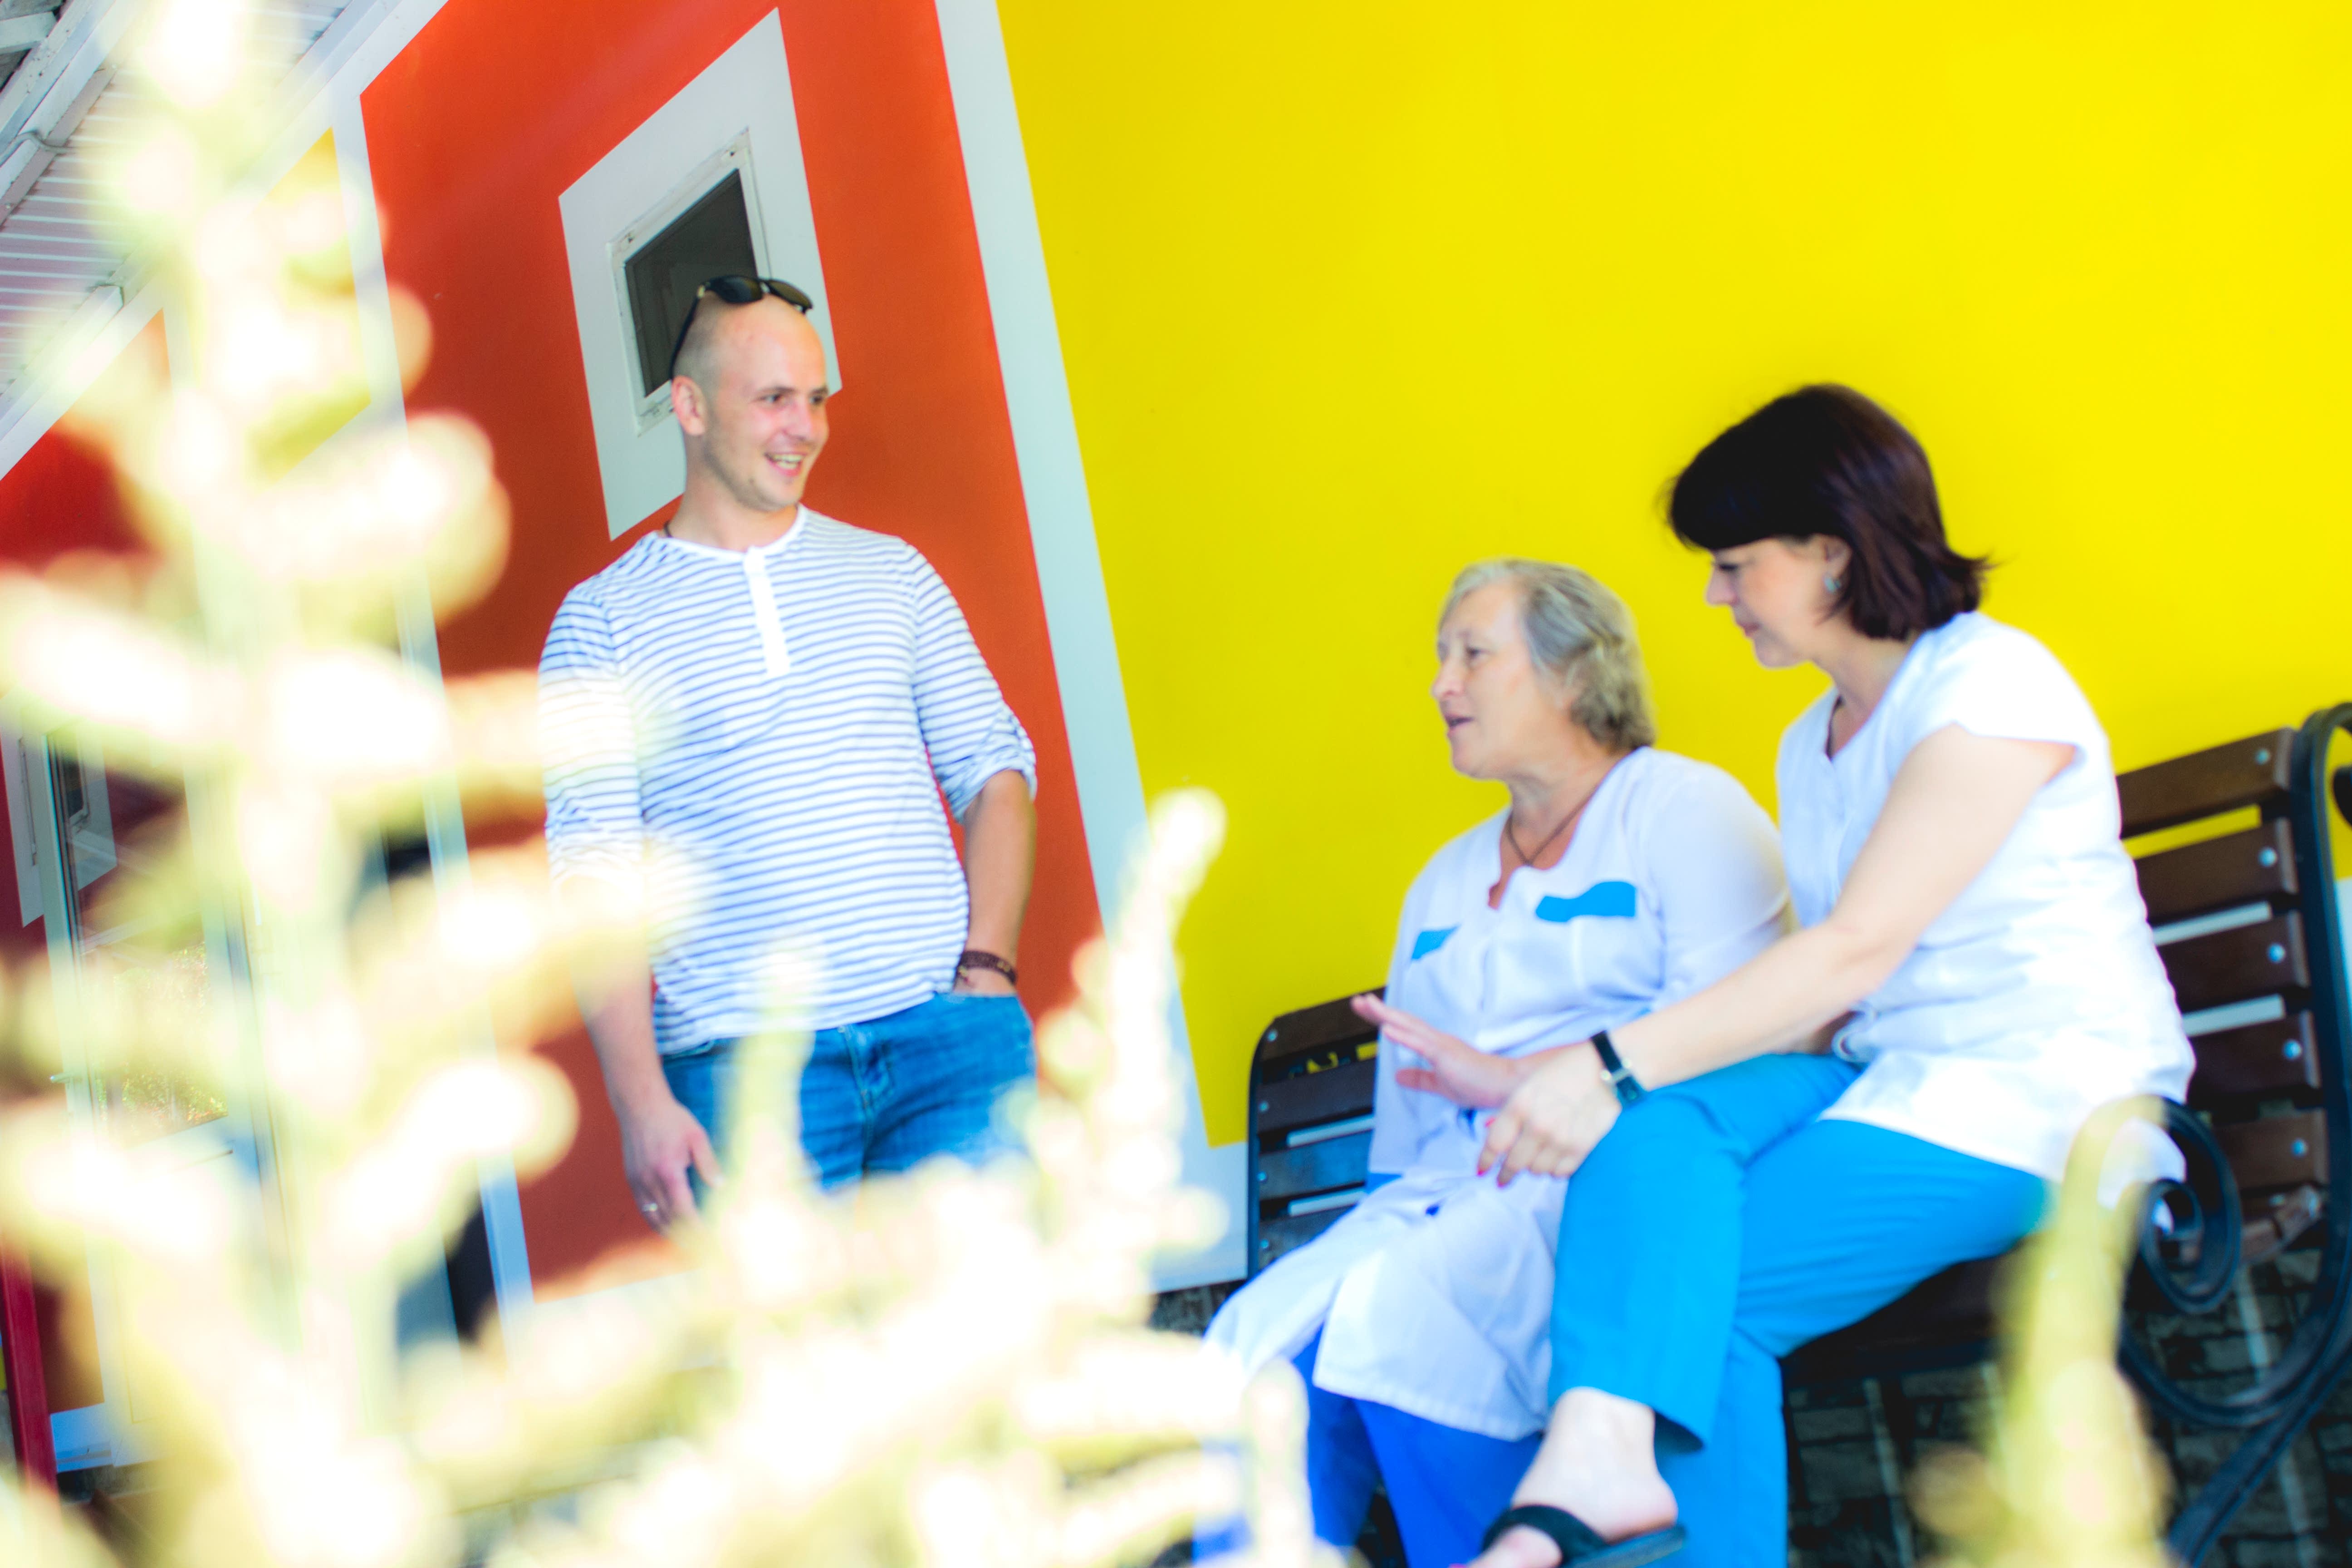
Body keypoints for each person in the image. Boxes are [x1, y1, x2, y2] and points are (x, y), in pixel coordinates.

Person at [1389, 386, 2194, 1568]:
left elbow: (1856, 947)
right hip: (1889, 1077)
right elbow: (1828, 1006)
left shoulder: (1989, 686)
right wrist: (1602, 1092)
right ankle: (1597, 1463)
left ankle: (1600, 1477)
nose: (1715, 597)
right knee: (1653, 1133)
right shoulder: (1810, 742)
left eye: (1735, 565)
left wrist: (1602, 1065)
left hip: (2042, 1098)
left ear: (1833, 554)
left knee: (1705, 1292)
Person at [1203, 559, 1791, 1568]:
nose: (1442, 684)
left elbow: (1742, 1041)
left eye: (1473, 654)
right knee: (1252, 1350)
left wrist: (1520, 1081)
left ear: (1575, 674)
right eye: (1442, 658)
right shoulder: (1443, 879)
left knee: (1404, 1314)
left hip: (1610, 1190)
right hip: (1438, 1199)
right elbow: (1403, 1143)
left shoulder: (1685, 810)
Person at [538, 275, 1040, 1230]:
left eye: (815, 399)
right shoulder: (601, 623)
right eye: (773, 399)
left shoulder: (895, 574)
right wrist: (642, 1105)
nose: (804, 428)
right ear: (690, 407)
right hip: (746, 1085)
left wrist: (990, 972)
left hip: (949, 1055)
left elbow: (995, 773)